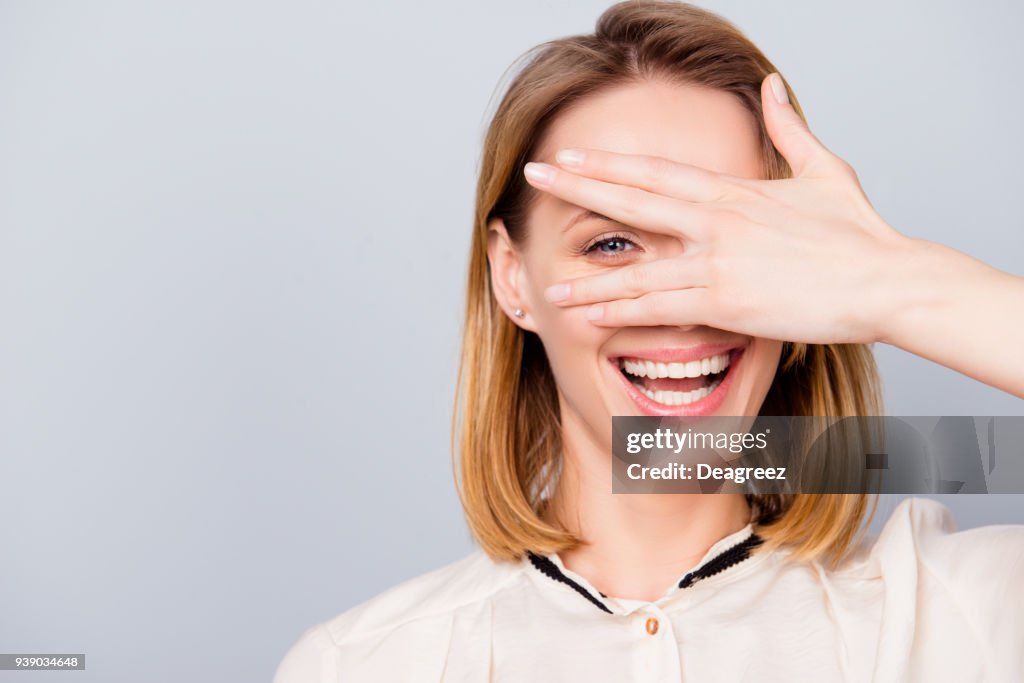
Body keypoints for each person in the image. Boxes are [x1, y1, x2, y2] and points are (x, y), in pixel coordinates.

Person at [273, 1, 1024, 680]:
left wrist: (892, 286)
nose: (681, 309)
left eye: (728, 248)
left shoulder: (968, 616)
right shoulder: (362, 663)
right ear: (513, 277)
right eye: (611, 245)